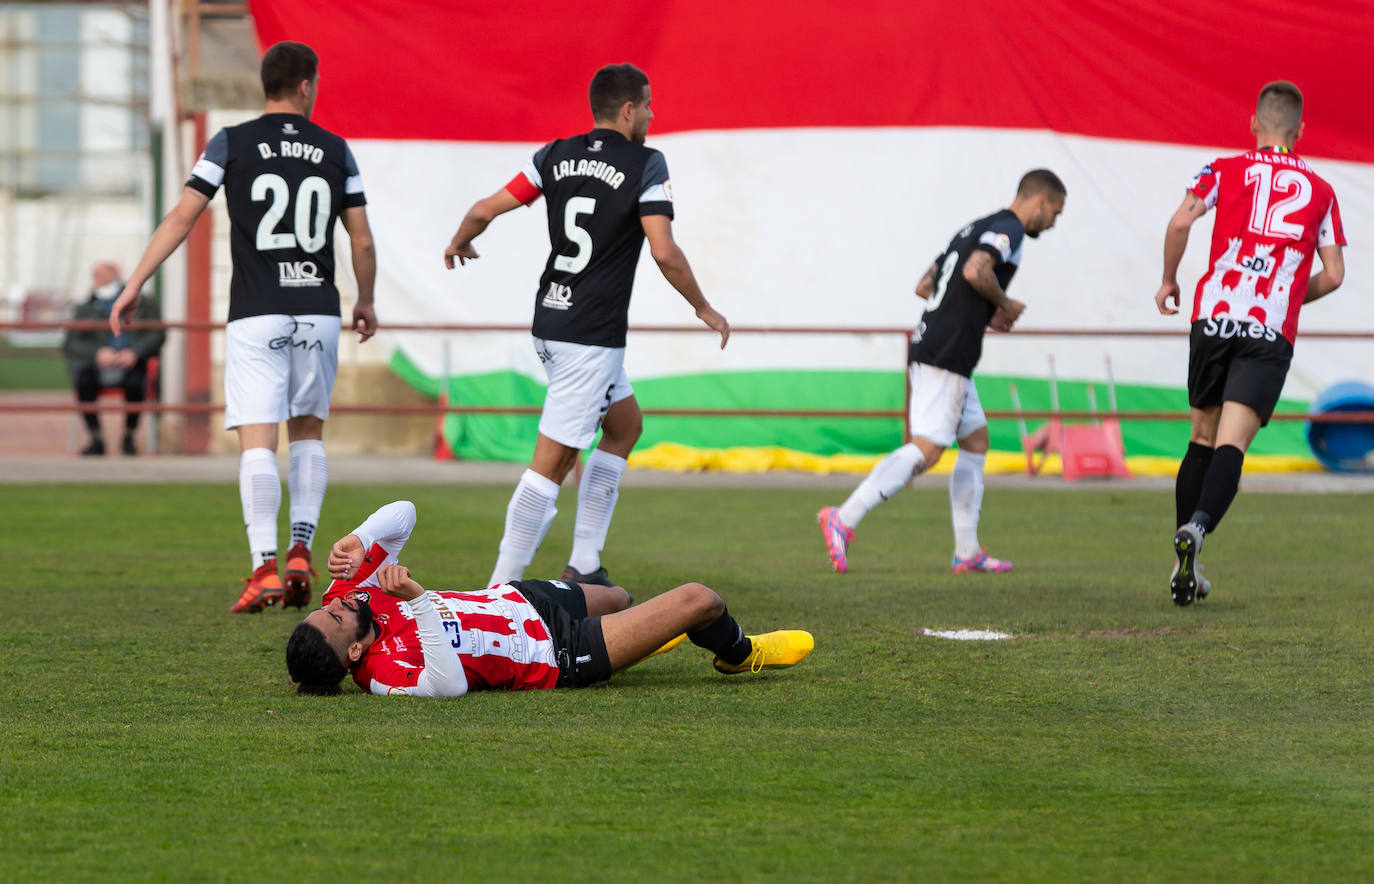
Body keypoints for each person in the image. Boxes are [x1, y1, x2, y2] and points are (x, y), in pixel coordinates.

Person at [110, 41, 377, 614]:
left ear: (267, 85)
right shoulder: (335, 149)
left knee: (258, 439)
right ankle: (303, 548)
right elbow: (361, 238)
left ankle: (264, 569)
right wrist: (368, 301)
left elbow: (184, 213)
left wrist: (134, 283)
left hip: (256, 309)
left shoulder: (231, 141)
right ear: (307, 86)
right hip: (318, 309)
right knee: (307, 433)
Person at [443, 63, 730, 590]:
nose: (651, 114)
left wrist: (460, 240)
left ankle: (585, 562)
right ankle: (495, 592)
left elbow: (485, 208)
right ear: (628, 110)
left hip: (551, 320)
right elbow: (664, 251)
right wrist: (703, 307)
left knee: (624, 427)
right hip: (589, 337)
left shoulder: (552, 155)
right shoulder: (646, 162)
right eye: (647, 104)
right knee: (549, 466)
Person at [285, 501, 813, 697]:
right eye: (334, 615)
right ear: (353, 652)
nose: (338, 601)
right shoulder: (381, 675)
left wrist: (359, 535)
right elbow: (447, 687)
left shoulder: (352, 596)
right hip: (553, 654)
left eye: (327, 603)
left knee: (620, 595)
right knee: (700, 600)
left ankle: (644, 634)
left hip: (522, 599)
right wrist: (420, 601)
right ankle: (739, 655)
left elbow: (403, 513)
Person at [817, 171, 1066, 574]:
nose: (1054, 221)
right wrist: (1002, 303)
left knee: (975, 441)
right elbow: (975, 272)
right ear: (1040, 200)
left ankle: (967, 552)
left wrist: (971, 309)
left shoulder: (974, 226)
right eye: (1056, 211)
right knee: (929, 448)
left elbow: (925, 284)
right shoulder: (1010, 230)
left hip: (938, 343)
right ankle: (843, 518)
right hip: (947, 351)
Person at [1155, 81, 1345, 606]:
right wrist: (1283, 298)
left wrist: (1169, 280)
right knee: (1232, 445)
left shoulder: (1222, 169)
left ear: (1253, 124)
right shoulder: (1322, 191)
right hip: (1268, 331)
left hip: (1214, 316)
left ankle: (1181, 565)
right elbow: (1333, 275)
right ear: (1300, 130)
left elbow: (1179, 222)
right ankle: (1198, 526)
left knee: (1201, 438)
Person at [63, 261, 165, 456]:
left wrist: (134, 351)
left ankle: (129, 436)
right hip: (97, 364)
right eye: (95, 274)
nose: (98, 278)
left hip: (131, 362)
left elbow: (156, 333)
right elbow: (72, 342)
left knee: (137, 383)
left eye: (103, 273)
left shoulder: (143, 302)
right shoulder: (85, 307)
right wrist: (97, 353)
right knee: (83, 381)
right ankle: (96, 438)